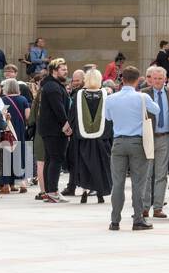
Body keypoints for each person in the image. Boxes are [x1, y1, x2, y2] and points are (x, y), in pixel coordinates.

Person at [103, 66, 157, 231]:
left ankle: (115, 220)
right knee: (138, 183)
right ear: (137, 80)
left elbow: (108, 117)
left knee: (118, 183)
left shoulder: (111, 99)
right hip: (137, 142)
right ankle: (138, 219)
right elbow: (157, 110)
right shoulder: (142, 97)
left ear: (122, 79)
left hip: (118, 143)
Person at [67, 67, 111, 204]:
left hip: (82, 139)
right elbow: (110, 118)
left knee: (84, 165)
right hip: (101, 138)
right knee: (100, 164)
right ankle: (99, 193)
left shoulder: (78, 95)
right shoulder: (106, 95)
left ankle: (84, 191)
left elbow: (72, 116)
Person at [140, 65, 169, 219]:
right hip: (149, 136)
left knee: (161, 174)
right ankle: (144, 207)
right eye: (154, 78)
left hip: (165, 137)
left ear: (165, 79)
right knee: (147, 174)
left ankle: (158, 207)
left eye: (160, 78)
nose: (156, 81)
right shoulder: (144, 94)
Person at [36, 59, 71, 203]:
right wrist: (66, 125)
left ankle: (49, 191)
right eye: (63, 69)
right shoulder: (52, 87)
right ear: (54, 71)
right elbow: (59, 109)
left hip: (50, 128)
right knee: (56, 159)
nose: (66, 72)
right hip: (54, 129)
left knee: (51, 159)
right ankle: (52, 191)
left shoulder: (52, 85)